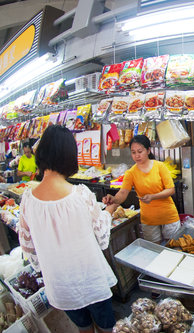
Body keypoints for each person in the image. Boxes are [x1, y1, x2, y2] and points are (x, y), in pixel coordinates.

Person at [18, 125, 119, 333]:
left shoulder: (27, 200)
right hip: (91, 280)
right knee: (106, 328)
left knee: (83, 328)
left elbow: (29, 249)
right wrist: (110, 209)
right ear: (69, 156)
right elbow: (101, 238)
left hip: (60, 285)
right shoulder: (80, 194)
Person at [103, 135, 180, 243]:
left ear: (148, 150)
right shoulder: (131, 173)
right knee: (153, 251)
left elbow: (171, 190)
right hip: (148, 219)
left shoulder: (160, 166)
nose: (137, 155)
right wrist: (114, 199)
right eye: (133, 152)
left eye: (140, 151)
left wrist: (153, 197)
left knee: (173, 248)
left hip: (168, 215)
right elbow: (123, 193)